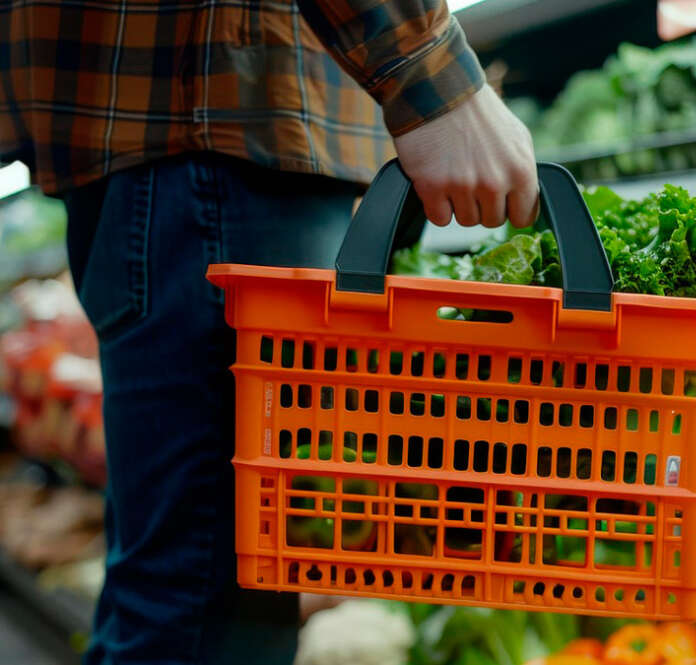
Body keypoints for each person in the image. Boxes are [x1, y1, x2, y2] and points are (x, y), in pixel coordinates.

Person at [0, 0, 539, 662]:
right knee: (210, 609)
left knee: (193, 589)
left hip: (195, 138)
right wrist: (434, 77)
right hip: (223, 125)